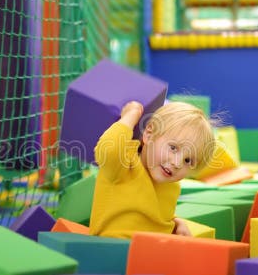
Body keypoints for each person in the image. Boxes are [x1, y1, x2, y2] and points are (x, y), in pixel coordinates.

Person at [89, 100, 217, 239]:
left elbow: (152, 217)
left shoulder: (172, 187)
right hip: (114, 248)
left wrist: (175, 224)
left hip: (151, 252)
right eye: (173, 148)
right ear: (149, 134)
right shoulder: (123, 165)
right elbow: (108, 150)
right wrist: (130, 116)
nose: (177, 163)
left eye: (188, 160)